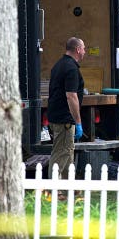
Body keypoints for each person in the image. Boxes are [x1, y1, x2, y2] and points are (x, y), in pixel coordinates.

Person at [47, 37, 85, 179]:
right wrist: (78, 122)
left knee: (68, 153)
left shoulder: (59, 65)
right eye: (84, 49)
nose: (84, 52)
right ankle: (51, 190)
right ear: (78, 49)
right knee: (61, 154)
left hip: (56, 116)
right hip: (65, 120)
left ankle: (68, 189)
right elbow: (71, 96)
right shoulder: (71, 68)